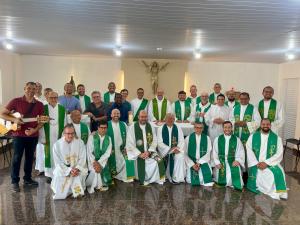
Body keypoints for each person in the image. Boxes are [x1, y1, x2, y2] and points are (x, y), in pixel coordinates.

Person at [0, 82, 44, 192]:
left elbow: (42, 121)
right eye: (28, 88)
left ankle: (27, 179)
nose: (31, 91)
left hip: (33, 135)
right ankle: (14, 181)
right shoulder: (16, 101)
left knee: (29, 158)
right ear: (24, 89)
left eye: (33, 89)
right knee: (16, 158)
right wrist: (14, 119)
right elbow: (2, 114)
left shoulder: (39, 104)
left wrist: (34, 129)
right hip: (19, 135)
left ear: (36, 90)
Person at [246, 118, 288, 200]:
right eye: (263, 124)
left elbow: (279, 153)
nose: (265, 126)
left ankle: (275, 190)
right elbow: (249, 149)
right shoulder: (253, 136)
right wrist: (255, 162)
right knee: (259, 173)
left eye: (267, 124)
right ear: (260, 125)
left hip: (271, 163)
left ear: (270, 125)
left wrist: (266, 163)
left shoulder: (277, 138)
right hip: (256, 163)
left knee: (277, 173)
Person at [126, 110, 165, 185]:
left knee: (159, 160)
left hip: (149, 151)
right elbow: (130, 143)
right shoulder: (132, 127)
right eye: (142, 117)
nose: (143, 118)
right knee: (136, 161)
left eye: (145, 117)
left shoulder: (151, 126)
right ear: (138, 117)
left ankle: (155, 179)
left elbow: (154, 140)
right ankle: (141, 177)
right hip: (137, 153)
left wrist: (149, 151)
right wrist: (139, 154)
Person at [51, 124, 88, 200]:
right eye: (68, 133)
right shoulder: (57, 145)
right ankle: (66, 191)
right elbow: (58, 162)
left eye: (72, 133)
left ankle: (75, 191)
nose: (70, 136)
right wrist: (69, 170)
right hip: (64, 169)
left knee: (81, 173)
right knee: (59, 172)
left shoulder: (80, 143)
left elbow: (82, 158)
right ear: (64, 133)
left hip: (77, 168)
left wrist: (76, 169)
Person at [40, 91, 67, 182]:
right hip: (48, 134)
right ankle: (49, 174)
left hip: (59, 134)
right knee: (48, 153)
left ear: (57, 98)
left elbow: (65, 122)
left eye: (55, 97)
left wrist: (64, 136)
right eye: (51, 97)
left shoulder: (62, 108)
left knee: (59, 153)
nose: (53, 99)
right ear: (47, 98)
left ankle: (58, 171)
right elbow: (41, 124)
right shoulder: (43, 109)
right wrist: (42, 137)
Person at [212, 121, 245, 190]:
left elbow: (241, 152)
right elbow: (214, 153)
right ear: (223, 128)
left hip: (232, 161)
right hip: (221, 162)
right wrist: (217, 162)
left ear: (232, 128)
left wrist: (237, 161)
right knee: (219, 175)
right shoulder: (217, 139)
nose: (227, 129)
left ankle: (232, 183)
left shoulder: (237, 140)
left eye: (229, 127)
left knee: (235, 171)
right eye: (225, 127)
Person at [107, 109, 135, 182]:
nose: (116, 115)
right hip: (111, 150)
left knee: (129, 160)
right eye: (114, 113)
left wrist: (126, 147)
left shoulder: (123, 124)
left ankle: (125, 176)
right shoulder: (107, 124)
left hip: (122, 149)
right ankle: (113, 175)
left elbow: (128, 137)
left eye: (118, 113)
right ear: (111, 115)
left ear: (120, 115)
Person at [157, 113, 186, 183]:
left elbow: (181, 140)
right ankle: (167, 176)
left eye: (172, 118)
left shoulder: (178, 128)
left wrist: (178, 149)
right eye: (168, 118)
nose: (170, 120)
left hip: (176, 150)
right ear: (165, 119)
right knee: (166, 158)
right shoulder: (160, 129)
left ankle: (177, 178)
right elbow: (159, 143)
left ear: (174, 119)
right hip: (165, 152)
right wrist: (170, 149)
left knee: (180, 157)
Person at [86, 120, 112, 193]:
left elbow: (107, 153)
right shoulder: (92, 137)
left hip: (103, 162)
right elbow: (89, 151)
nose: (103, 129)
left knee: (100, 169)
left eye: (105, 128)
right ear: (98, 128)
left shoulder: (108, 138)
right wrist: (95, 162)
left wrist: (99, 163)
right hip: (93, 162)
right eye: (101, 128)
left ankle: (102, 183)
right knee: (95, 171)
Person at [185, 122, 214, 186]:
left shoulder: (207, 138)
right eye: (197, 128)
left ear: (203, 129)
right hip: (191, 162)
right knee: (190, 179)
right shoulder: (188, 138)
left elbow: (209, 152)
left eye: (201, 128)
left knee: (204, 177)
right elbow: (185, 153)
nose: (199, 129)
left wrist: (199, 163)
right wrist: (192, 164)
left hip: (203, 161)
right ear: (194, 128)